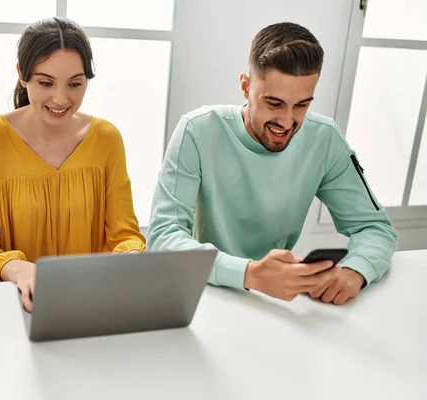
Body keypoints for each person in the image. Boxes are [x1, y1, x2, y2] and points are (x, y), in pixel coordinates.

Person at [147, 22, 398, 306]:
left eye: (302, 105)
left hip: (276, 303)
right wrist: (249, 274)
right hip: (207, 294)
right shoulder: (197, 130)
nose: (287, 121)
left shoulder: (325, 138)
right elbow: (162, 237)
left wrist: (355, 270)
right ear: (245, 86)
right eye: (274, 103)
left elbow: (376, 228)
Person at [0, 17, 145, 311]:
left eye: (75, 84)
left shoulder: (107, 139)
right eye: (45, 82)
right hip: (9, 306)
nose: (61, 99)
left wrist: (132, 259)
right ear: (22, 74)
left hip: (88, 303)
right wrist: (20, 270)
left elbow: (125, 236)